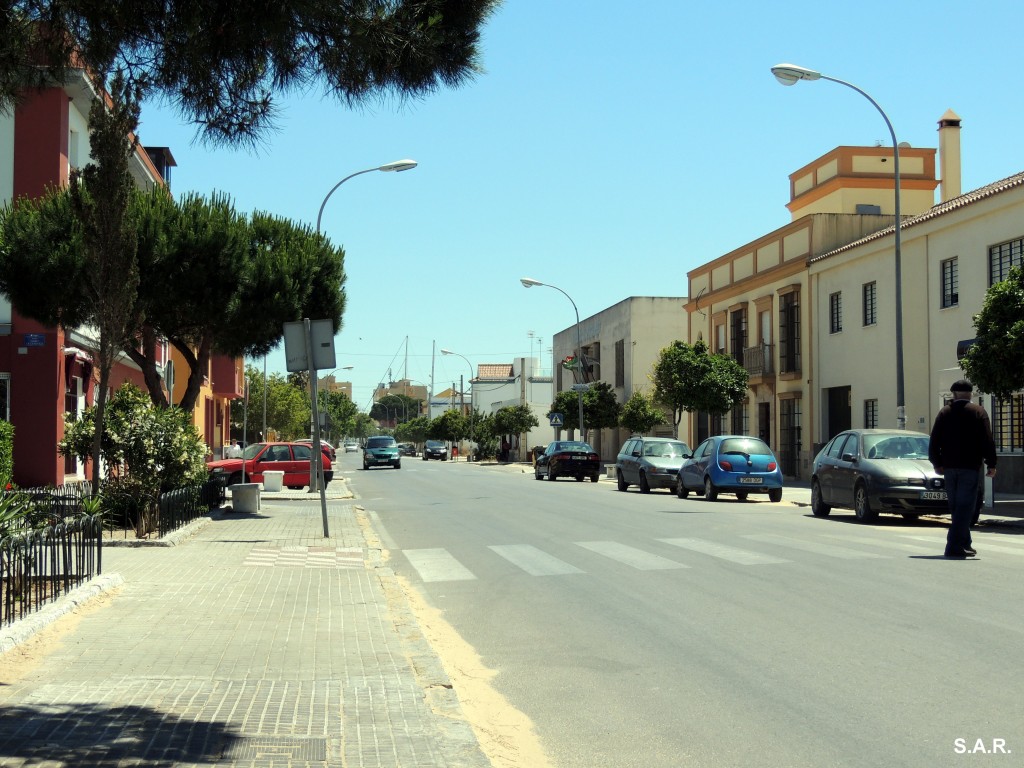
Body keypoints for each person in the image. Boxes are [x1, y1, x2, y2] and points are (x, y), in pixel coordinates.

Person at [928, 379, 997, 558]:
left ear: (954, 394)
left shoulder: (944, 412)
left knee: (957, 507)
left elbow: (934, 440)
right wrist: (992, 463)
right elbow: (987, 440)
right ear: (970, 394)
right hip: (970, 466)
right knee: (965, 506)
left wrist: (937, 463)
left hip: (949, 468)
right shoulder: (978, 412)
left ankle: (965, 543)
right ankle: (953, 545)